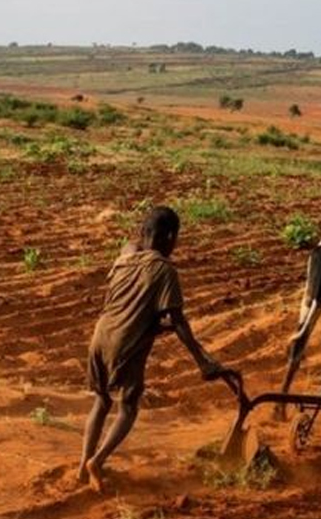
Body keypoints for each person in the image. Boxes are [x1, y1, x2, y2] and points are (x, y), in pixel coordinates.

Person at [79, 206, 228, 491]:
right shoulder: (164, 270)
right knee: (128, 408)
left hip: (100, 336)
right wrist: (203, 361)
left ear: (142, 232)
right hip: (126, 343)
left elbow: (133, 302)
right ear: (170, 237)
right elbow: (179, 321)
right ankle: (97, 461)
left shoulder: (126, 253)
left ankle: (82, 466)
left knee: (101, 401)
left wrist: (156, 325)